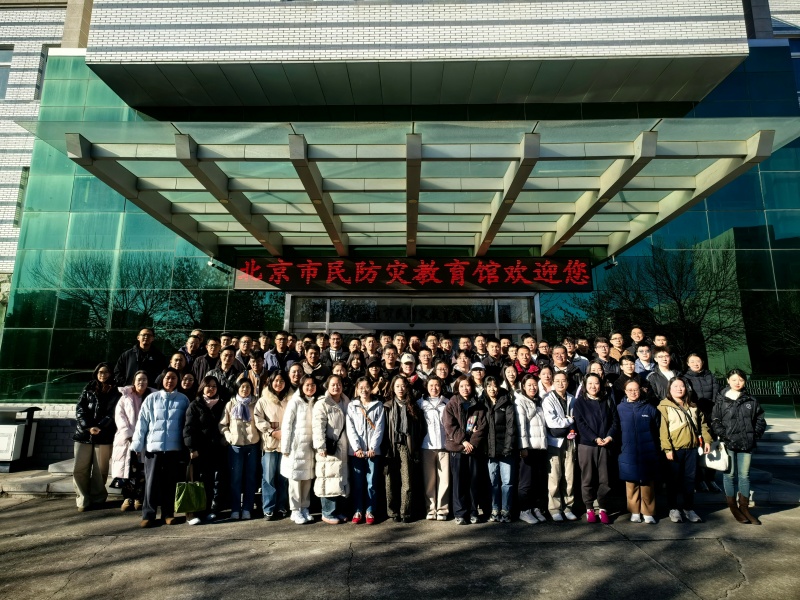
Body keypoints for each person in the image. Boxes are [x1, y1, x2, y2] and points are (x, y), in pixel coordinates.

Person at [131, 368, 190, 527]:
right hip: (153, 448)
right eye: (167, 378)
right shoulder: (151, 398)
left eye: (173, 378)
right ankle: (148, 514)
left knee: (170, 482)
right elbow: (142, 423)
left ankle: (168, 514)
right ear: (162, 379)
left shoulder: (183, 399)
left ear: (178, 381)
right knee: (151, 483)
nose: (170, 381)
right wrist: (137, 444)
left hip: (174, 449)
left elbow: (187, 425)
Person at [711, 369, 767, 525]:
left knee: (744, 475)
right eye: (734, 379)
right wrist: (724, 435)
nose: (737, 383)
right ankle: (733, 506)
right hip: (728, 443)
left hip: (746, 443)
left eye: (741, 380)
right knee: (729, 475)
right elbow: (715, 420)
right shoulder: (721, 400)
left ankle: (744, 507)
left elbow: (760, 419)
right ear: (728, 381)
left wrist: (754, 435)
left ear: (745, 382)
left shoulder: (751, 400)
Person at [658, 376, 711, 524]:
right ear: (669, 389)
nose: (679, 389)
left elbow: (703, 424)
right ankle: (673, 508)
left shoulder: (693, 406)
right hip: (674, 449)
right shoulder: (664, 406)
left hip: (692, 448)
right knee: (673, 480)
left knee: (690, 480)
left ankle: (689, 508)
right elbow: (663, 430)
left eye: (681, 386)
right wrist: (667, 448)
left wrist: (707, 440)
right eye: (675, 386)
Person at [73, 363, 120, 512]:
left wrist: (99, 426)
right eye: (100, 372)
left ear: (110, 374)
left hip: (104, 435)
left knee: (100, 470)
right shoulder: (88, 388)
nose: (103, 375)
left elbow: (113, 412)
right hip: (84, 434)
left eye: (106, 372)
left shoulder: (115, 391)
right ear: (96, 373)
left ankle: (97, 498)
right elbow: (80, 409)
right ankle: (83, 499)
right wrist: (88, 426)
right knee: (80, 468)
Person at [573, 373, 619, 524]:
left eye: (596, 383)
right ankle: (589, 508)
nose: (593, 386)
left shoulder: (607, 400)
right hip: (587, 444)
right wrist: (594, 438)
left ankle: (603, 507)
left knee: (605, 478)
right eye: (590, 383)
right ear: (585, 385)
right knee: (588, 477)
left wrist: (610, 436)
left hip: (606, 443)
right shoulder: (580, 402)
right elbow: (580, 424)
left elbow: (615, 421)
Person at [183, 375, 229, 524]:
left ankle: (208, 511)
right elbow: (188, 429)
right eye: (208, 386)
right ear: (202, 387)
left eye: (214, 386)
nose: (211, 389)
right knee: (196, 481)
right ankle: (192, 514)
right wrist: (192, 448)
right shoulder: (195, 405)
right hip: (199, 450)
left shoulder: (221, 404)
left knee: (210, 482)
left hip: (215, 449)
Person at [444, 376, 487, 525]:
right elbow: (450, 426)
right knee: (459, 482)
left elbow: (481, 427)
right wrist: (464, 441)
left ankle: (473, 511)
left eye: (467, 385)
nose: (465, 389)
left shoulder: (478, 405)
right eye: (461, 386)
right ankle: (460, 513)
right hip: (457, 448)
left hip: (473, 449)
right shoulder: (451, 404)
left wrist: (472, 443)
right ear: (457, 388)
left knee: (473, 482)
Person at [616, 379, 660, 524]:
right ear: (625, 391)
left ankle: (648, 512)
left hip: (648, 450)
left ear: (640, 390)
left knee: (647, 483)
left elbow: (657, 429)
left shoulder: (650, 408)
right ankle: (634, 511)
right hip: (627, 450)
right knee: (631, 483)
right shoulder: (620, 408)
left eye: (636, 389)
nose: (633, 392)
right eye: (630, 390)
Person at [347, 377, 386, 525]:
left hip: (373, 452)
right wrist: (356, 448)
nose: (364, 390)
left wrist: (373, 447)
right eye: (361, 387)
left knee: (372, 482)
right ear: (357, 389)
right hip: (356, 452)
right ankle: (358, 510)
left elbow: (380, 428)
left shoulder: (378, 405)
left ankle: (370, 510)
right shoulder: (352, 406)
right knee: (358, 483)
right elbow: (350, 428)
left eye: (367, 387)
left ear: (371, 388)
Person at [219, 379, 260, 520]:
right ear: (237, 388)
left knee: (250, 478)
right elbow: (222, 424)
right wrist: (228, 436)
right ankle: (235, 508)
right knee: (235, 479)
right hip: (235, 446)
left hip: (252, 445)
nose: (245, 390)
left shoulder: (256, 403)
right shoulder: (231, 404)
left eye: (248, 387)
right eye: (242, 387)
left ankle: (247, 508)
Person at [382, 375, 421, 523]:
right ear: (393, 387)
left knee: (407, 481)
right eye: (397, 386)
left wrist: (415, 447)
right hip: (390, 446)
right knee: (390, 480)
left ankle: (406, 512)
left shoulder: (412, 406)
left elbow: (418, 429)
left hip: (406, 446)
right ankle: (392, 512)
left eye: (403, 386)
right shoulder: (387, 406)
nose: (400, 389)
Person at [112, 370, 152, 512]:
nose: (142, 382)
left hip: (146, 439)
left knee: (142, 470)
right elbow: (120, 417)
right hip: (127, 439)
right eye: (139, 379)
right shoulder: (125, 397)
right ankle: (128, 497)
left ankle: (139, 498)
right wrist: (129, 434)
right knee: (128, 470)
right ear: (134, 382)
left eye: (144, 379)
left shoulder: (152, 396)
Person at [313, 374, 350, 524]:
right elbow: (318, 426)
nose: (336, 387)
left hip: (343, 447)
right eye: (333, 384)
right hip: (329, 447)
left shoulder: (346, 401)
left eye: (339, 384)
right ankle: (327, 512)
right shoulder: (322, 404)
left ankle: (338, 511)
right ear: (327, 386)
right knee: (327, 478)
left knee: (340, 479)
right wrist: (320, 445)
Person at [281, 375, 318, 525]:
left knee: (307, 479)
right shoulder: (294, 402)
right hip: (295, 447)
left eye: (312, 385)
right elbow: (287, 425)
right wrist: (285, 447)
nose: (310, 387)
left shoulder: (315, 401)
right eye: (307, 385)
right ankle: (295, 510)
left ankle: (304, 507)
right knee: (295, 480)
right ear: (301, 386)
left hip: (309, 447)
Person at [254, 370, 290, 521]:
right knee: (268, 477)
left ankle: (281, 506)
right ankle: (268, 508)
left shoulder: (291, 399)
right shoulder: (263, 400)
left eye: (281, 381)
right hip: (270, 444)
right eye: (276, 381)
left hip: (286, 443)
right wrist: (271, 431)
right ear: (270, 382)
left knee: (283, 477)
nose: (279, 384)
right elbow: (258, 419)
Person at [542, 372, 577, 522]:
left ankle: (568, 507)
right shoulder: (547, 399)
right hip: (554, 442)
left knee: (570, 476)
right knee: (554, 476)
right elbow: (551, 422)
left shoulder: (572, 399)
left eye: (563, 381)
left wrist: (568, 422)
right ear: (553, 382)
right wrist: (568, 421)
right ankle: (555, 508)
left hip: (570, 442)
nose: (561, 383)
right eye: (557, 381)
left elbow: (577, 419)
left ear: (568, 383)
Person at [684, 353, 721, 493]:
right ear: (688, 364)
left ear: (702, 362)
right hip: (696, 416)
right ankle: (699, 480)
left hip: (711, 416)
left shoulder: (710, 376)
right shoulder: (685, 378)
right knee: (697, 448)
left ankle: (711, 479)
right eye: (692, 361)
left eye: (698, 361)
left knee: (712, 446)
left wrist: (715, 413)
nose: (695, 363)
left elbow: (717, 395)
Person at [515, 374, 548, 524]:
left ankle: (535, 508)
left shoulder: (539, 401)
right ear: (523, 386)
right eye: (529, 385)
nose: (532, 388)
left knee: (537, 480)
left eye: (535, 385)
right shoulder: (520, 401)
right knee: (526, 481)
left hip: (540, 448)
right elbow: (521, 426)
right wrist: (523, 447)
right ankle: (524, 510)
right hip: (528, 448)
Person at [484, 376, 516, 523]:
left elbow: (511, 427)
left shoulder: (507, 402)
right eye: (489, 386)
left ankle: (506, 510)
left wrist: (508, 448)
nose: (492, 389)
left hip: (505, 448)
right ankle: (494, 509)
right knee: (493, 482)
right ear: (485, 387)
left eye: (495, 385)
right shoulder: (482, 403)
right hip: (489, 450)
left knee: (507, 482)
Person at [417, 376, 450, 521]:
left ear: (441, 387)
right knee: (429, 480)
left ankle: (442, 509)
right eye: (431, 385)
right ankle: (430, 509)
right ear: (426, 387)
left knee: (444, 480)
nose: (434, 388)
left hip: (444, 446)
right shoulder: (420, 403)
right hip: (427, 446)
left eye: (437, 385)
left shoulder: (447, 402)